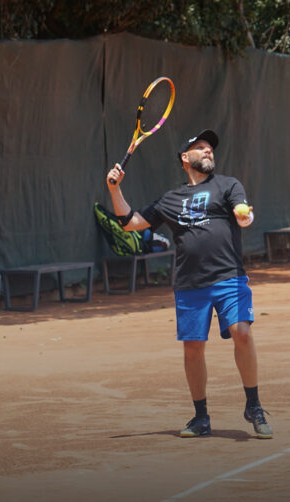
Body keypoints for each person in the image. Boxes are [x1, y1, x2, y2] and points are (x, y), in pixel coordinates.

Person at [105, 129, 272, 439]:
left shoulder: (228, 185)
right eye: (201, 147)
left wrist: (243, 215)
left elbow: (241, 211)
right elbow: (131, 222)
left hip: (229, 277)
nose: (208, 151)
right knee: (193, 349)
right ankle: (200, 417)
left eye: (210, 148)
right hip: (190, 283)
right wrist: (115, 189)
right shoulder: (171, 199)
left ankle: (254, 406)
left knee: (243, 332)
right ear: (185, 158)